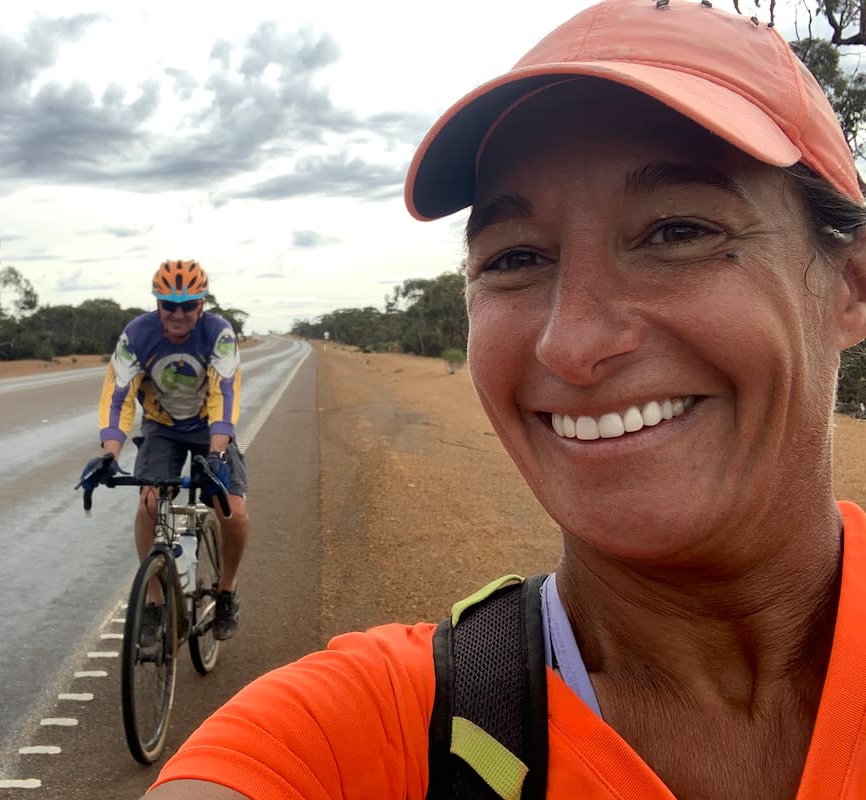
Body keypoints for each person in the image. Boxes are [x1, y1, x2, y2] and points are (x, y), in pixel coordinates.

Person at [143, 1, 866, 797]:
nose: (572, 345)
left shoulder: (216, 339)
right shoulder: (373, 727)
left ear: (853, 285)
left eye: (678, 231)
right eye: (516, 257)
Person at [81, 259, 248, 643]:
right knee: (149, 504)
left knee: (234, 511)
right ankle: (154, 602)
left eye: (188, 305)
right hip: (162, 428)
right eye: (169, 305)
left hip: (209, 427)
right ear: (157, 303)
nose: (178, 314)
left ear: (202, 304)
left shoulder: (219, 334)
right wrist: (109, 454)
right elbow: (118, 397)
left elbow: (224, 394)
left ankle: (226, 591)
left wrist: (217, 454)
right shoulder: (137, 335)